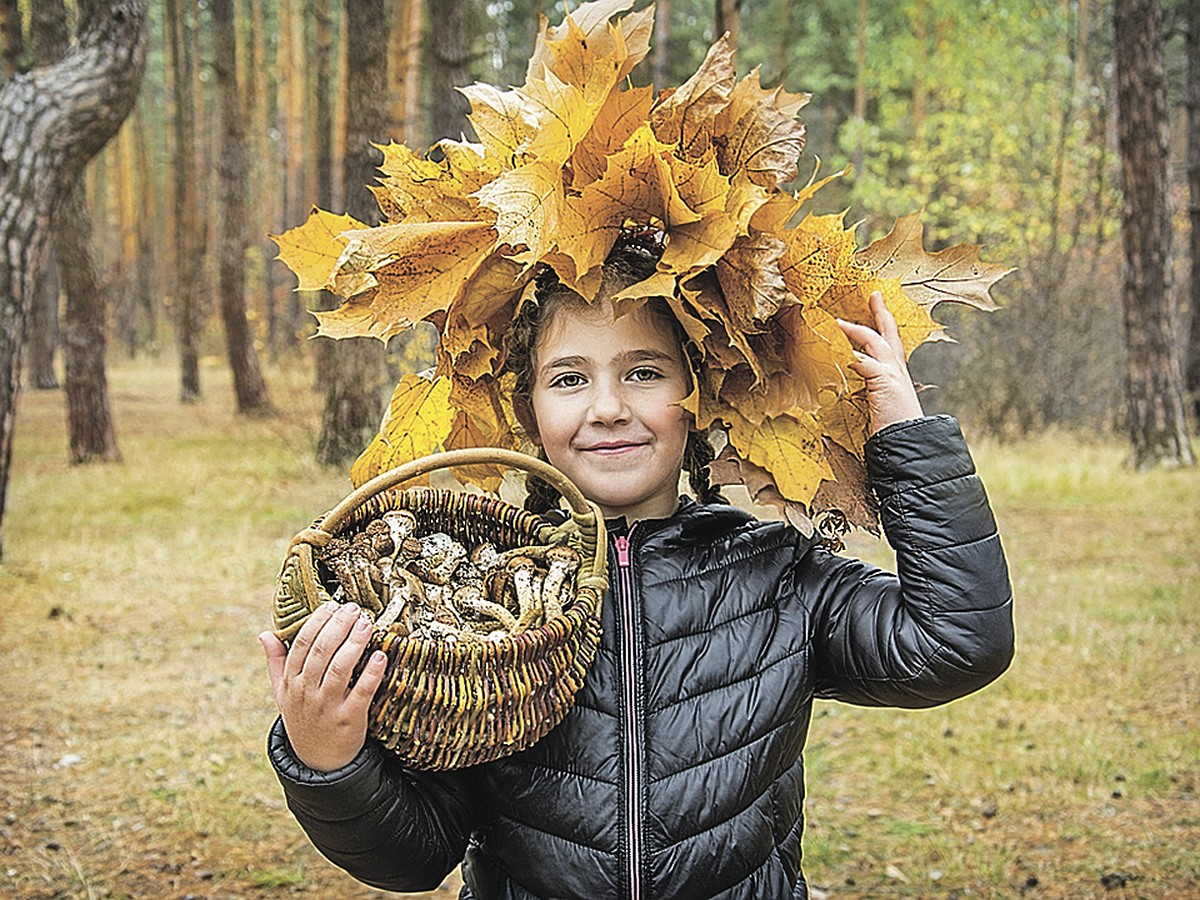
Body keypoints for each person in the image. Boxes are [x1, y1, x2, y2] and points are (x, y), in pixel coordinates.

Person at [259, 238, 1015, 899]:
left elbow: (956, 642)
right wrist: (330, 762)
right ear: (528, 414)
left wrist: (906, 437)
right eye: (568, 378)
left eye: (645, 372)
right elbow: (414, 856)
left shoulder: (777, 577)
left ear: (697, 398)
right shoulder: (481, 605)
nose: (610, 407)